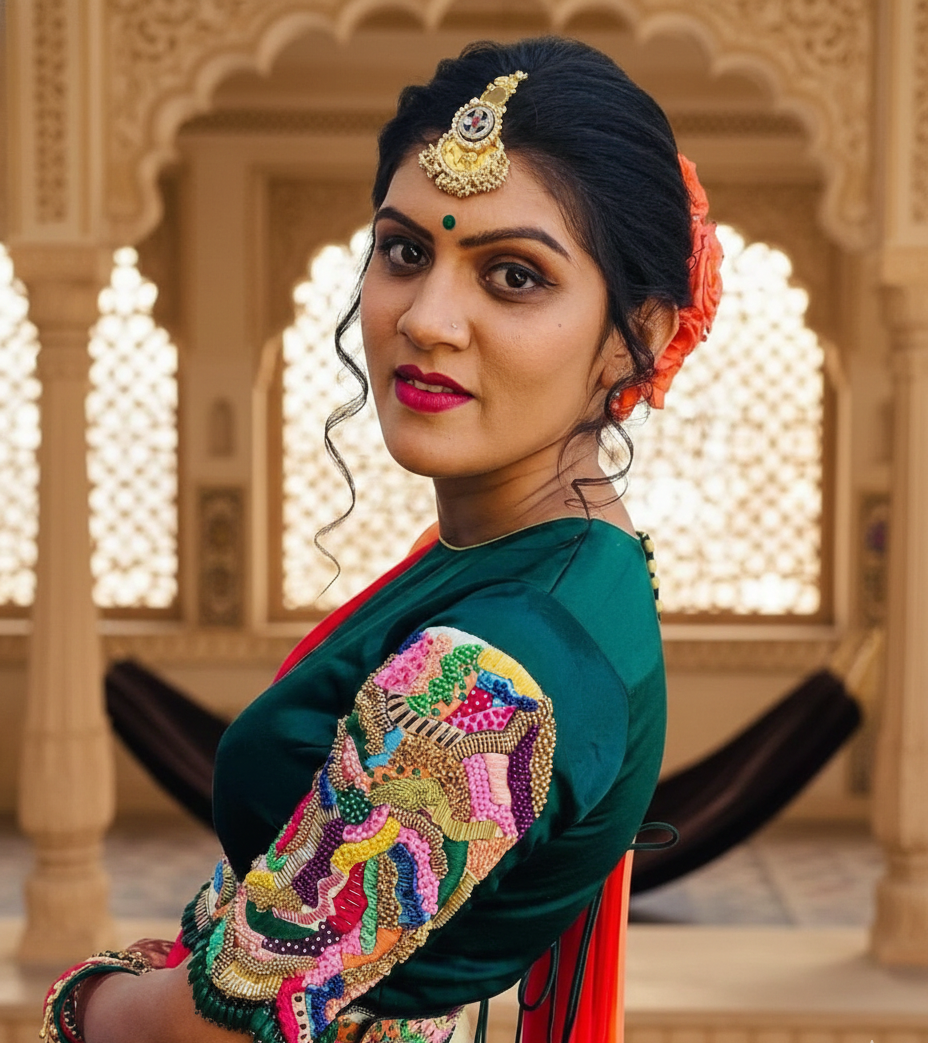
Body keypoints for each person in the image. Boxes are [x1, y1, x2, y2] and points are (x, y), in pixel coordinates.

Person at [42, 35, 722, 1043]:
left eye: (513, 274)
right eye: (405, 252)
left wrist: (82, 998)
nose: (427, 319)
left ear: (643, 335)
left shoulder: (491, 673)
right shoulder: (549, 562)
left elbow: (220, 1022)